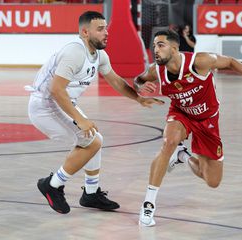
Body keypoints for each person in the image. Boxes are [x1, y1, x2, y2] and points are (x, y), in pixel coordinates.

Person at [27, 11, 164, 214]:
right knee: (92, 141)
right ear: (84, 32)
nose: (106, 33)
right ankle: (52, 185)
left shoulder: (100, 54)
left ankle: (91, 193)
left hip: (63, 102)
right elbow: (56, 90)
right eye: (100, 29)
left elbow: (116, 80)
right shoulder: (75, 52)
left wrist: (138, 98)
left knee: (94, 138)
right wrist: (80, 119)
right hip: (45, 105)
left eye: (106, 28)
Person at [134, 29, 242, 226]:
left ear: (174, 48)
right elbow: (138, 79)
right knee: (169, 141)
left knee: (212, 181)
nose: (155, 50)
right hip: (181, 114)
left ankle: (182, 155)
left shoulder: (199, 61)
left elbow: (231, 61)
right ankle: (148, 205)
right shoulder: (155, 70)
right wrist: (140, 87)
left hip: (208, 120)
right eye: (154, 46)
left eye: (161, 45)